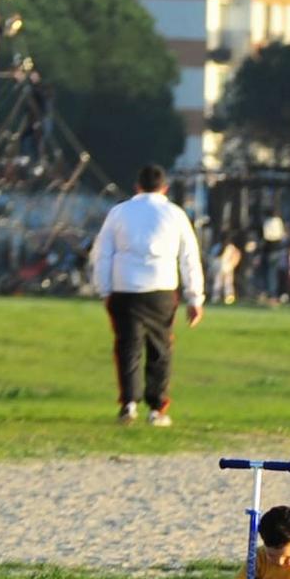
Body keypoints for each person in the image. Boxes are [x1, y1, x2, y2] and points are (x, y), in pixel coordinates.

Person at [91, 164, 205, 427]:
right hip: (162, 289)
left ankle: (128, 404)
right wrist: (195, 297)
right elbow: (189, 258)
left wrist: (104, 289)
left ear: (137, 186)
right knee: (160, 348)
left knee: (128, 346)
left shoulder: (119, 212)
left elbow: (102, 253)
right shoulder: (175, 214)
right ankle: (157, 408)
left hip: (125, 288)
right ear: (164, 188)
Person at [210, 235, 242, 305]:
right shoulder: (218, 247)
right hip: (220, 268)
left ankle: (228, 298)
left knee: (228, 283)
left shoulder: (231, 248)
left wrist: (233, 264)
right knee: (218, 283)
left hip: (228, 268)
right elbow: (213, 257)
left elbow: (237, 256)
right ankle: (216, 298)